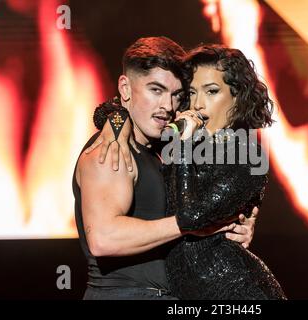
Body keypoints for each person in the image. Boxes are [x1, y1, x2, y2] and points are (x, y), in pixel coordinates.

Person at [93, 43, 287, 299]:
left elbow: (190, 216)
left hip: (236, 292)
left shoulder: (248, 157)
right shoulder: (184, 141)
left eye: (212, 91)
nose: (198, 104)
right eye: (192, 92)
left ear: (238, 97)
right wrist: (116, 125)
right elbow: (106, 110)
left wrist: (183, 146)